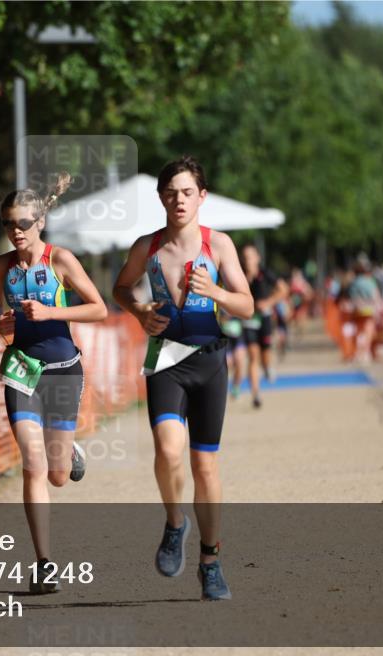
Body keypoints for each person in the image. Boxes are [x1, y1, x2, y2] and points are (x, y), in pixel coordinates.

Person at [113, 156, 253, 601]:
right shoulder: (147, 247)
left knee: (204, 466)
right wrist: (138, 311)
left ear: (202, 197)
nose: (179, 200)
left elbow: (247, 306)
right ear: (161, 198)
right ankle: (176, 523)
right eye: (171, 192)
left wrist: (216, 293)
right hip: (166, 360)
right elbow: (120, 288)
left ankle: (210, 561)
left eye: (187, 192)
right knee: (168, 450)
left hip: (209, 361)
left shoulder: (220, 246)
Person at [0, 173, 108, 594]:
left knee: (56, 474)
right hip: (21, 370)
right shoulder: (2, 266)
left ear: (39, 223)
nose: (15, 232)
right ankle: (43, 563)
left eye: (22, 223)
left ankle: (67, 449)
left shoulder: (61, 261)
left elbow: (99, 309)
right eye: (7, 224)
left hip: (62, 370)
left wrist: (52, 314)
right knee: (33, 467)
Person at [238, 244, 288, 408]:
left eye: (250, 256)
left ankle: (267, 367)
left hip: (265, 318)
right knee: (253, 356)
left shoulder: (265, 273)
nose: (247, 260)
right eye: (245, 257)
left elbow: (283, 289)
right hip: (249, 319)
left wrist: (268, 302)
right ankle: (256, 394)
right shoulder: (239, 274)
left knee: (265, 356)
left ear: (258, 258)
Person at [348, 256, 382, 364]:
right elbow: (375, 296)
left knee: (359, 331)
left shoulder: (354, 282)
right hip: (368, 309)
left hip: (357, 309)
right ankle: (365, 352)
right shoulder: (369, 281)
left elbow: (352, 297)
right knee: (368, 331)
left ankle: (358, 353)